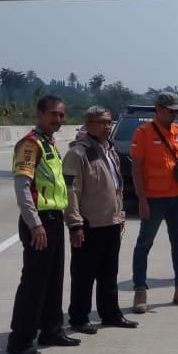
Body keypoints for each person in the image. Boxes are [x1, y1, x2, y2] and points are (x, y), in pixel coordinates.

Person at [7, 95, 80, 354]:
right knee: (34, 283)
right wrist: (35, 223)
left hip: (53, 219)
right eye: (53, 114)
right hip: (39, 221)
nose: (58, 120)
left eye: (61, 115)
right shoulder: (30, 144)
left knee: (53, 279)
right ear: (39, 114)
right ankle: (20, 339)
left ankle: (51, 330)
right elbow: (22, 187)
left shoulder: (49, 143)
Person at [62, 106, 139, 335]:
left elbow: (116, 185)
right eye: (103, 122)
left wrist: (121, 213)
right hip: (88, 225)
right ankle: (79, 317)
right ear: (89, 124)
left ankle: (110, 313)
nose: (108, 126)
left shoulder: (110, 149)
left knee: (109, 273)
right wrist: (75, 224)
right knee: (84, 275)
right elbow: (70, 191)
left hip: (111, 222)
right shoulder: (78, 153)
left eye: (109, 121)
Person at [130, 92, 178, 314]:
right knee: (144, 244)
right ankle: (140, 291)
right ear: (158, 109)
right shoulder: (143, 133)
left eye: (176, 111)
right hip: (153, 198)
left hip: (177, 197)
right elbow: (136, 168)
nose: (173, 114)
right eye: (170, 110)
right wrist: (141, 200)